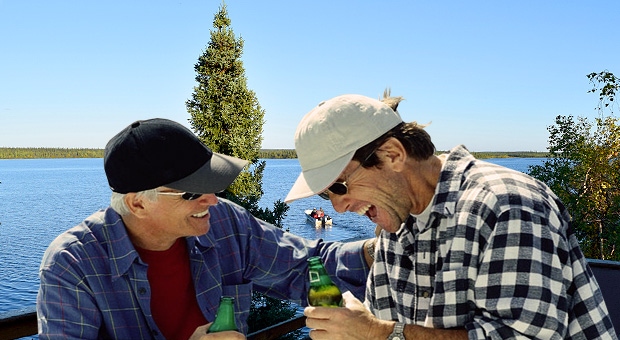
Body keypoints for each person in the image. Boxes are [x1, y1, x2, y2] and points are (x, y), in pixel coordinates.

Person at [284, 92, 618, 339]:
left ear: (392, 155)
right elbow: (383, 323)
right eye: (324, 195)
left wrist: (379, 334)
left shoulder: (506, 205)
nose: (338, 207)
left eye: (339, 188)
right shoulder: (393, 226)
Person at [37, 118, 374, 340]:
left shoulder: (226, 224)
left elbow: (305, 265)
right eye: (192, 192)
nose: (213, 199)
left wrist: (379, 251)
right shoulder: (73, 264)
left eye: (212, 184)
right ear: (138, 203)